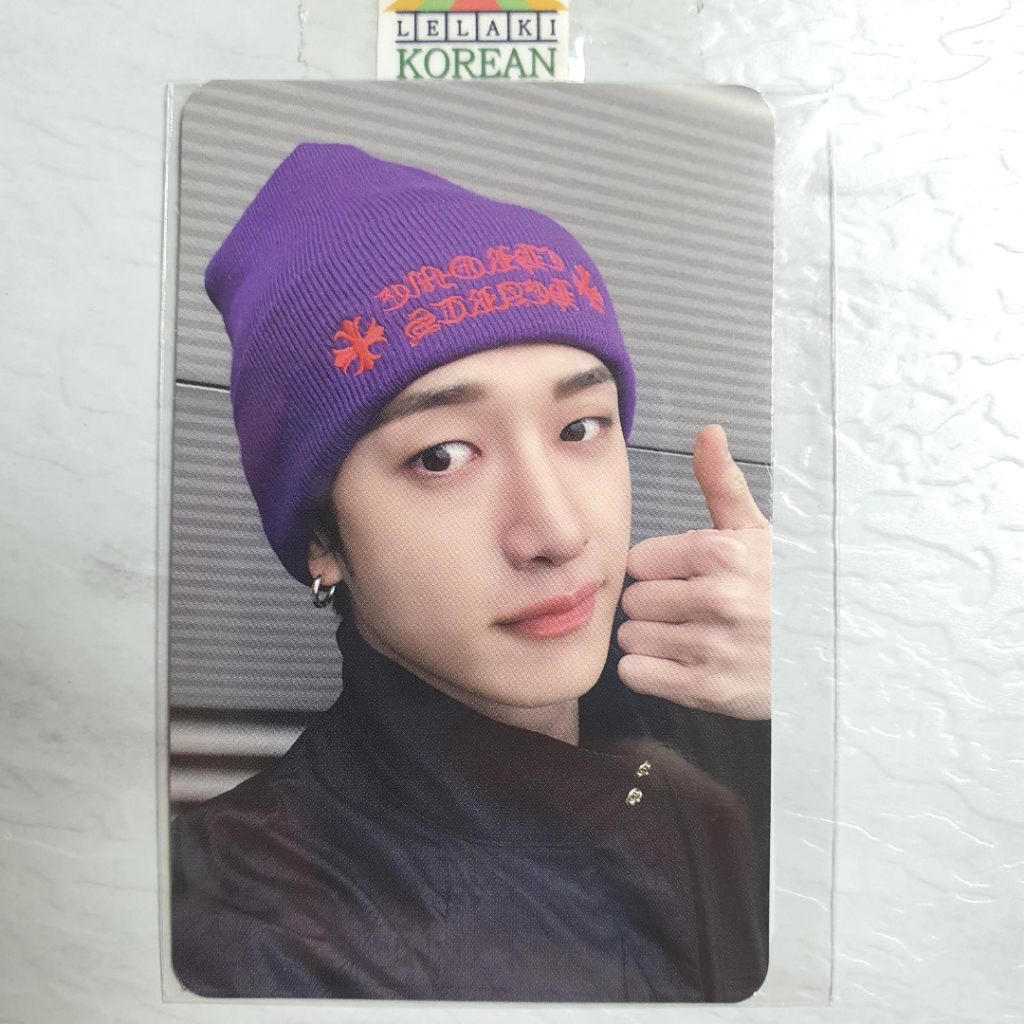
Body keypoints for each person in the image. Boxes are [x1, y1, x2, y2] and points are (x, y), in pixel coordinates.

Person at [170, 143, 772, 1002]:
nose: (557, 532)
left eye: (580, 428)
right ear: (322, 539)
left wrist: (832, 710)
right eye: (442, 456)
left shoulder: (725, 739)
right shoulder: (248, 926)